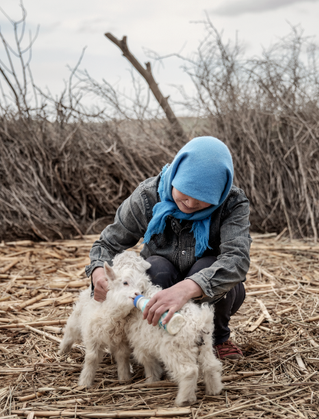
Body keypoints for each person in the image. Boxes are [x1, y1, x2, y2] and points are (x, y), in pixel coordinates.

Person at [86, 136, 251, 359]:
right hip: (160, 283)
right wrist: (98, 272)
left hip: (211, 293)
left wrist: (187, 288)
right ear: (175, 177)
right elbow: (107, 244)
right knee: (155, 267)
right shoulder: (147, 196)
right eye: (186, 192)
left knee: (210, 265)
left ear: (220, 194)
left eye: (204, 200)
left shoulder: (232, 204)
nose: (192, 204)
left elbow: (237, 260)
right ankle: (158, 339)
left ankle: (214, 338)